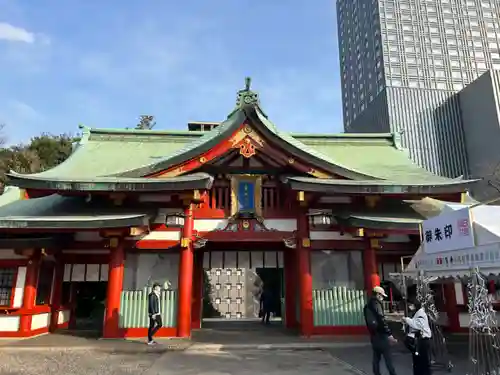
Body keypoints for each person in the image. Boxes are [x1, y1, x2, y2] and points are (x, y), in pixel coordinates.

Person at [364, 286, 398, 375]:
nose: (382, 298)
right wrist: (389, 333)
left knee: (376, 358)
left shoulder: (368, 305)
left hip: (374, 335)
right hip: (381, 335)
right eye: (382, 296)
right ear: (378, 294)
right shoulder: (376, 304)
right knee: (388, 359)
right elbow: (381, 319)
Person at [403, 300, 432, 375]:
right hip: (420, 340)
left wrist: (407, 320)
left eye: (411, 305)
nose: (410, 307)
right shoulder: (418, 313)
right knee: (418, 362)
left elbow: (418, 325)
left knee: (422, 363)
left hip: (422, 341)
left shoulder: (420, 314)